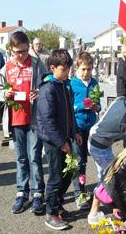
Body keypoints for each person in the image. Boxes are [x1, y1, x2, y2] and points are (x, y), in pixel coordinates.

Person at [0, 31, 48, 214]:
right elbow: (0, 91)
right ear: (11, 50)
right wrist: (5, 94)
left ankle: (37, 194)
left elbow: (47, 83)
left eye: (25, 51)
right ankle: (21, 193)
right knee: (21, 158)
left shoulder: (36, 64)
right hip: (16, 119)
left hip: (33, 119)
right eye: (18, 52)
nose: (22, 55)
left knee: (34, 157)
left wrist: (39, 92)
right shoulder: (7, 67)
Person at [36, 49, 82, 231]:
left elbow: (69, 113)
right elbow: (47, 120)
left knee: (67, 173)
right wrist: (60, 142)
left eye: (69, 69)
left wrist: (75, 132)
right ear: (53, 68)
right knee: (55, 176)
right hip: (53, 141)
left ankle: (57, 205)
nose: (67, 73)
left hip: (65, 137)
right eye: (64, 69)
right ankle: (51, 213)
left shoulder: (63, 85)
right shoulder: (48, 89)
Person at [70, 51, 101, 210]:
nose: (86, 72)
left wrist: (96, 107)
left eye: (89, 69)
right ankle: (79, 194)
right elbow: (69, 107)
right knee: (78, 162)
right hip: (77, 127)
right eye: (83, 69)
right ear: (77, 68)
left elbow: (99, 105)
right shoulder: (72, 84)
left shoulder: (94, 83)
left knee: (92, 160)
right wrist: (82, 106)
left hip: (91, 126)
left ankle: (99, 190)